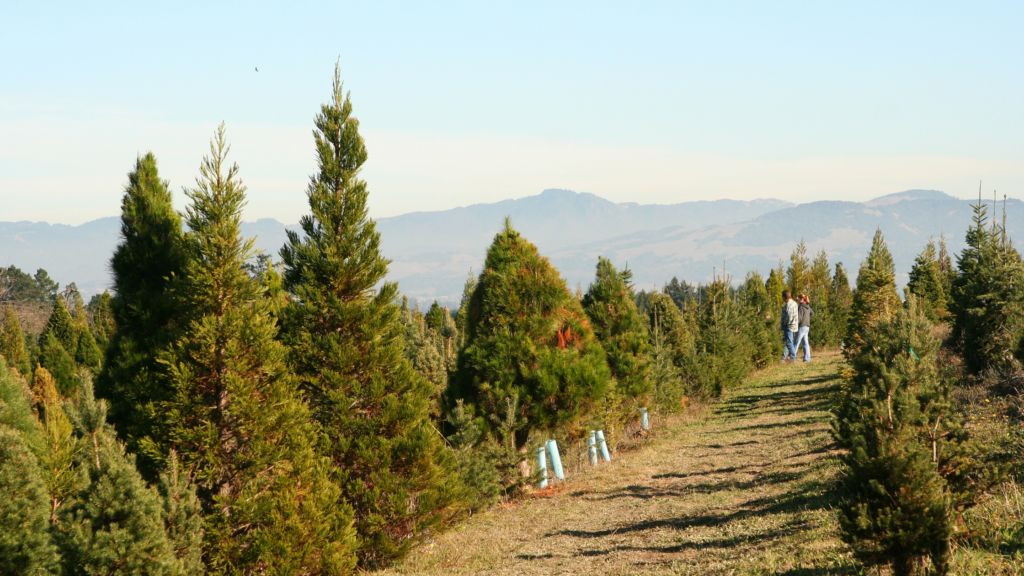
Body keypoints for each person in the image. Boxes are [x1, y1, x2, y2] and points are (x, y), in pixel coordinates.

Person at [780, 290, 799, 362]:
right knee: (785, 341)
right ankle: (783, 357)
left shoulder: (789, 305)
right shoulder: (794, 303)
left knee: (789, 342)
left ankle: (793, 357)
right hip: (793, 325)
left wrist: (785, 323)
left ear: (785, 297)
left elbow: (789, 316)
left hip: (789, 326)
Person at [796, 294, 814, 362]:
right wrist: (807, 318)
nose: (797, 300)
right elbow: (812, 313)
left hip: (801, 326)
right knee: (805, 343)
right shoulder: (807, 306)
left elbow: (799, 318)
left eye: (798, 299)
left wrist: (795, 324)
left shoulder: (801, 307)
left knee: (796, 343)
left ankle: (792, 358)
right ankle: (807, 358)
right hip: (807, 326)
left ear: (801, 299)